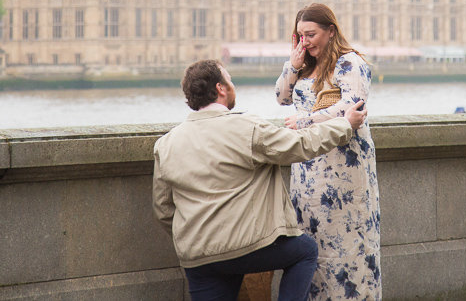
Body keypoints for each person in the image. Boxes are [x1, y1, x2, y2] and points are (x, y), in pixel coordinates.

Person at [153, 59, 368, 301]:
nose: (232, 84)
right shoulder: (246, 127)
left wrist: (197, 237)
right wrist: (344, 124)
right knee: (305, 251)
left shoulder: (166, 144)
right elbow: (301, 144)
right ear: (221, 88)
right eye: (230, 80)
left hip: (198, 256)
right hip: (246, 247)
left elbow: (163, 209)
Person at [275, 3, 381, 301]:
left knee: (348, 248)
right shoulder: (304, 65)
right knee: (312, 248)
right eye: (300, 36)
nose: (305, 42)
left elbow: (353, 105)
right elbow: (281, 97)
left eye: (311, 34)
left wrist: (305, 121)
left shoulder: (350, 63)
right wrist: (293, 65)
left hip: (343, 172)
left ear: (331, 31)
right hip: (308, 172)